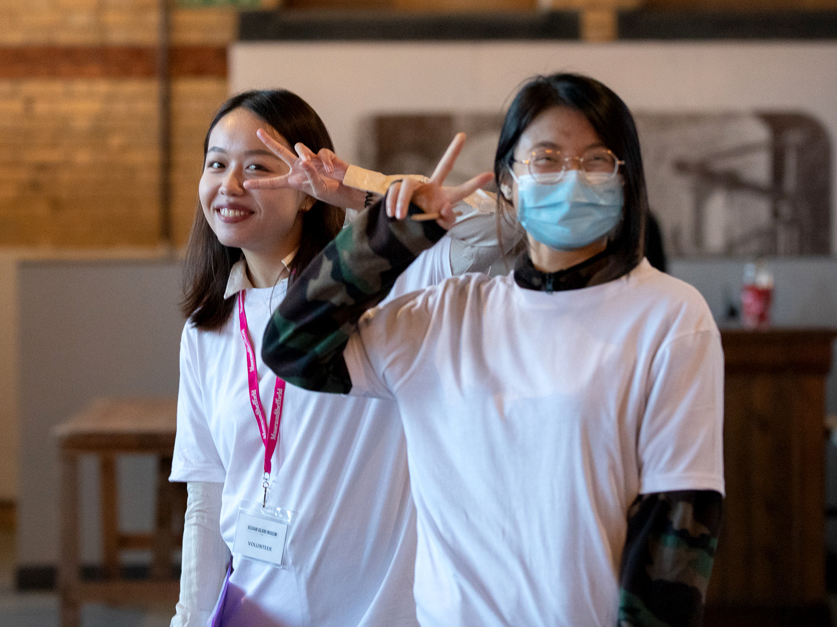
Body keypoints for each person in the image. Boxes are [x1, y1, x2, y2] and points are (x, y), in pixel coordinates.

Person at [262, 73, 725, 627]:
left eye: (597, 160)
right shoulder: (446, 315)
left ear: (626, 180)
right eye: (547, 158)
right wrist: (388, 236)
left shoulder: (669, 315)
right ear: (507, 181)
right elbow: (292, 347)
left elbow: (676, 523)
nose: (572, 178)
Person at [169, 88, 500, 627]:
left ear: (305, 191)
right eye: (216, 164)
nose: (230, 185)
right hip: (256, 611)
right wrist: (188, 617)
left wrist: (360, 193)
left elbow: (500, 233)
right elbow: (207, 499)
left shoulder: (376, 287)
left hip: (378, 613)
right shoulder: (208, 328)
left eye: (257, 166)